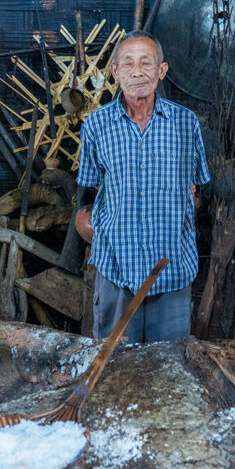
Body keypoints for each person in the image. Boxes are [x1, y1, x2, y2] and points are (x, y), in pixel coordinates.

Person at [75, 30, 210, 343]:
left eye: (146, 63)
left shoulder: (185, 123)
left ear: (161, 70)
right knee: (114, 368)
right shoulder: (96, 125)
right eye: (128, 63)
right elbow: (95, 188)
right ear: (115, 72)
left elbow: (196, 187)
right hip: (116, 267)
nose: (137, 71)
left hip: (172, 265)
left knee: (168, 368)